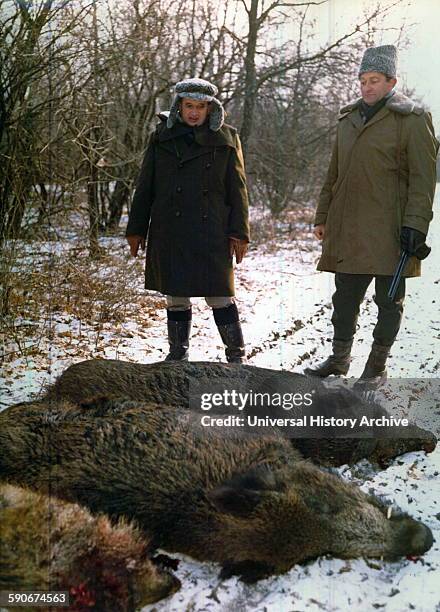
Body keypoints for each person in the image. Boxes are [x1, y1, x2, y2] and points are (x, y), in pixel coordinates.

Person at [305, 45, 438, 386]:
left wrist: (415, 226)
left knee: (388, 301)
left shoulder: (412, 119)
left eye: (374, 80)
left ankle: (377, 366)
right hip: (348, 227)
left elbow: (424, 180)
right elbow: (333, 173)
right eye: (363, 80)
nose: (367, 87)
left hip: (390, 231)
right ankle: (338, 359)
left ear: (392, 81)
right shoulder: (347, 119)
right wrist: (322, 217)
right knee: (344, 299)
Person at [126, 77, 250, 363]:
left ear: (211, 109)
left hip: (211, 231)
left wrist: (239, 233)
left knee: (219, 295)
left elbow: (238, 189)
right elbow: (146, 185)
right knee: (175, 295)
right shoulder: (161, 138)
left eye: (201, 107)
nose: (194, 112)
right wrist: (136, 229)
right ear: (179, 107)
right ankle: (177, 353)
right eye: (189, 105)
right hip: (171, 228)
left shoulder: (227, 139)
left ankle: (236, 355)